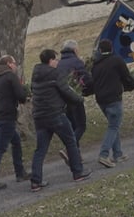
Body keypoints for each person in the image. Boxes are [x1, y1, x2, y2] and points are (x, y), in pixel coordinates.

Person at [29, 49, 91, 190]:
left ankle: (35, 181)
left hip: (39, 116)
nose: (57, 62)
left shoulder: (35, 74)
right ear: (51, 60)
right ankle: (78, 172)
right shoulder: (55, 73)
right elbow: (66, 90)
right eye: (56, 60)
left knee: (40, 149)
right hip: (55, 114)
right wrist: (79, 99)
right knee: (70, 142)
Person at [0, 55, 31, 191]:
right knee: (0, 148)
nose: (16, 66)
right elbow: (21, 96)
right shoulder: (10, 76)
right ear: (9, 64)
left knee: (16, 142)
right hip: (7, 116)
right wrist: (23, 91)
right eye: (15, 63)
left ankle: (20, 172)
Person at [91, 39, 134, 168]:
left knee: (113, 125)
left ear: (100, 51)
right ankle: (104, 154)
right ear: (111, 49)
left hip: (101, 100)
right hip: (113, 98)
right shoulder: (116, 61)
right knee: (113, 127)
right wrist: (132, 85)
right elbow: (126, 76)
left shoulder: (95, 65)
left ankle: (118, 154)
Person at [56, 39, 93, 160]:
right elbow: (86, 78)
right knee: (81, 126)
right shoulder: (76, 62)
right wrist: (87, 91)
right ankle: (68, 149)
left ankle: (75, 156)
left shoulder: (59, 63)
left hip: (62, 100)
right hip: (74, 97)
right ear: (75, 50)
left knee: (72, 127)